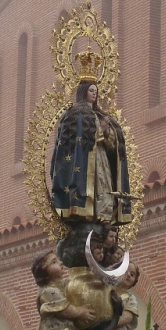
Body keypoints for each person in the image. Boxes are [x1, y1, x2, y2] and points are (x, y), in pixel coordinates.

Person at [50, 81, 132, 225]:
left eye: (96, 91)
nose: (94, 94)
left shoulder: (101, 115)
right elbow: (73, 142)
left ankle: (104, 215)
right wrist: (101, 129)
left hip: (101, 158)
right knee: (93, 186)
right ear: (83, 92)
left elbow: (113, 144)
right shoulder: (75, 114)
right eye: (91, 90)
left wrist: (107, 132)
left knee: (104, 185)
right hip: (84, 161)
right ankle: (85, 212)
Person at [28, 251, 95, 330]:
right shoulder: (48, 291)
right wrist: (81, 312)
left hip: (64, 329)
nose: (60, 262)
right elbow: (65, 310)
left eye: (57, 260)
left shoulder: (59, 285)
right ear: (44, 271)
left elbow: (71, 284)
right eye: (53, 262)